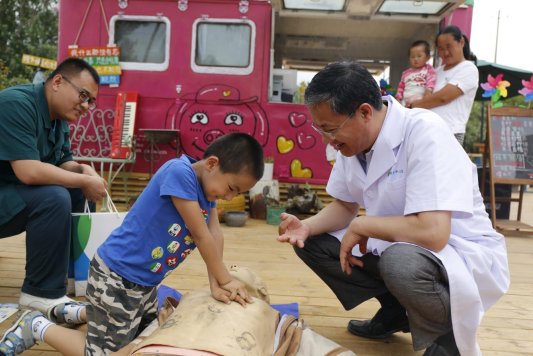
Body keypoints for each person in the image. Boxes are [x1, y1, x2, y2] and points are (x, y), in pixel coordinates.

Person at [277, 61, 509, 356]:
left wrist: (363, 226)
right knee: (311, 242)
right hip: (400, 246)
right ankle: (396, 312)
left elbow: (433, 233)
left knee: (400, 263)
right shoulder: (352, 142)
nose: (327, 139)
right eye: (321, 129)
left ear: (363, 112)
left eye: (330, 129)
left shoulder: (425, 132)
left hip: (455, 252)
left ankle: (448, 339)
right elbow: (345, 205)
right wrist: (306, 226)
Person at [0, 133, 264, 356]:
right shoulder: (180, 173)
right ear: (212, 163)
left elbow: (215, 235)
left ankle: (81, 313)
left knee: (143, 337)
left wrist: (216, 283)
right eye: (231, 188)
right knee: (105, 353)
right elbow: (200, 234)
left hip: (144, 283)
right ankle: (35, 325)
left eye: (236, 193)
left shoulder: (208, 190)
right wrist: (226, 279)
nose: (229, 197)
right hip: (116, 277)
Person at [0, 58, 107, 314]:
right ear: (58, 81)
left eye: (90, 101)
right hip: (9, 193)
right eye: (83, 95)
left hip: (11, 196)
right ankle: (39, 293)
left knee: (77, 187)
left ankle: (72, 277)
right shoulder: (16, 104)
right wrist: (83, 179)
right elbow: (28, 171)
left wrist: (84, 171)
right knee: (55, 197)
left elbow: (63, 163)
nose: (85, 106)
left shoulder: (59, 118)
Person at [411, 26, 479, 146]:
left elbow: (444, 97)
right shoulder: (435, 71)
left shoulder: (468, 69)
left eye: (449, 46)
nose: (446, 53)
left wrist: (413, 106)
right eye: (441, 49)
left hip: (450, 133)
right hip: (427, 131)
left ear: (461, 42)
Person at [395, 40, 436, 107]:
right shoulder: (406, 73)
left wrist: (428, 92)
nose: (415, 59)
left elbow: (431, 82)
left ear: (427, 57)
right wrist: (398, 98)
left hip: (419, 101)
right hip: (405, 102)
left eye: (419, 56)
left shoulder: (429, 69)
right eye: (412, 57)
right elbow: (401, 87)